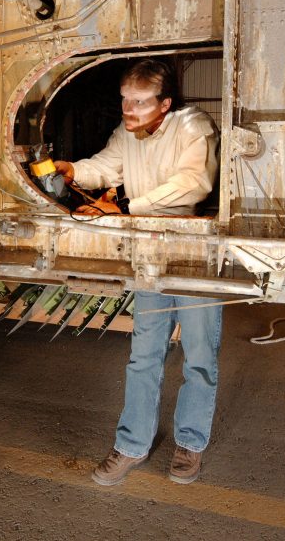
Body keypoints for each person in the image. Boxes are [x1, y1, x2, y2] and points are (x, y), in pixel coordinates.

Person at [53, 58, 221, 486]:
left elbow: (194, 182)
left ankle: (191, 442)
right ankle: (131, 445)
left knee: (200, 356)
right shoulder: (127, 133)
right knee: (144, 354)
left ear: (164, 104)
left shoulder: (191, 126)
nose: (129, 110)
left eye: (141, 102)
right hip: (148, 253)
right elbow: (106, 166)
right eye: (126, 100)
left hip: (192, 248)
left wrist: (127, 207)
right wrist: (73, 170)